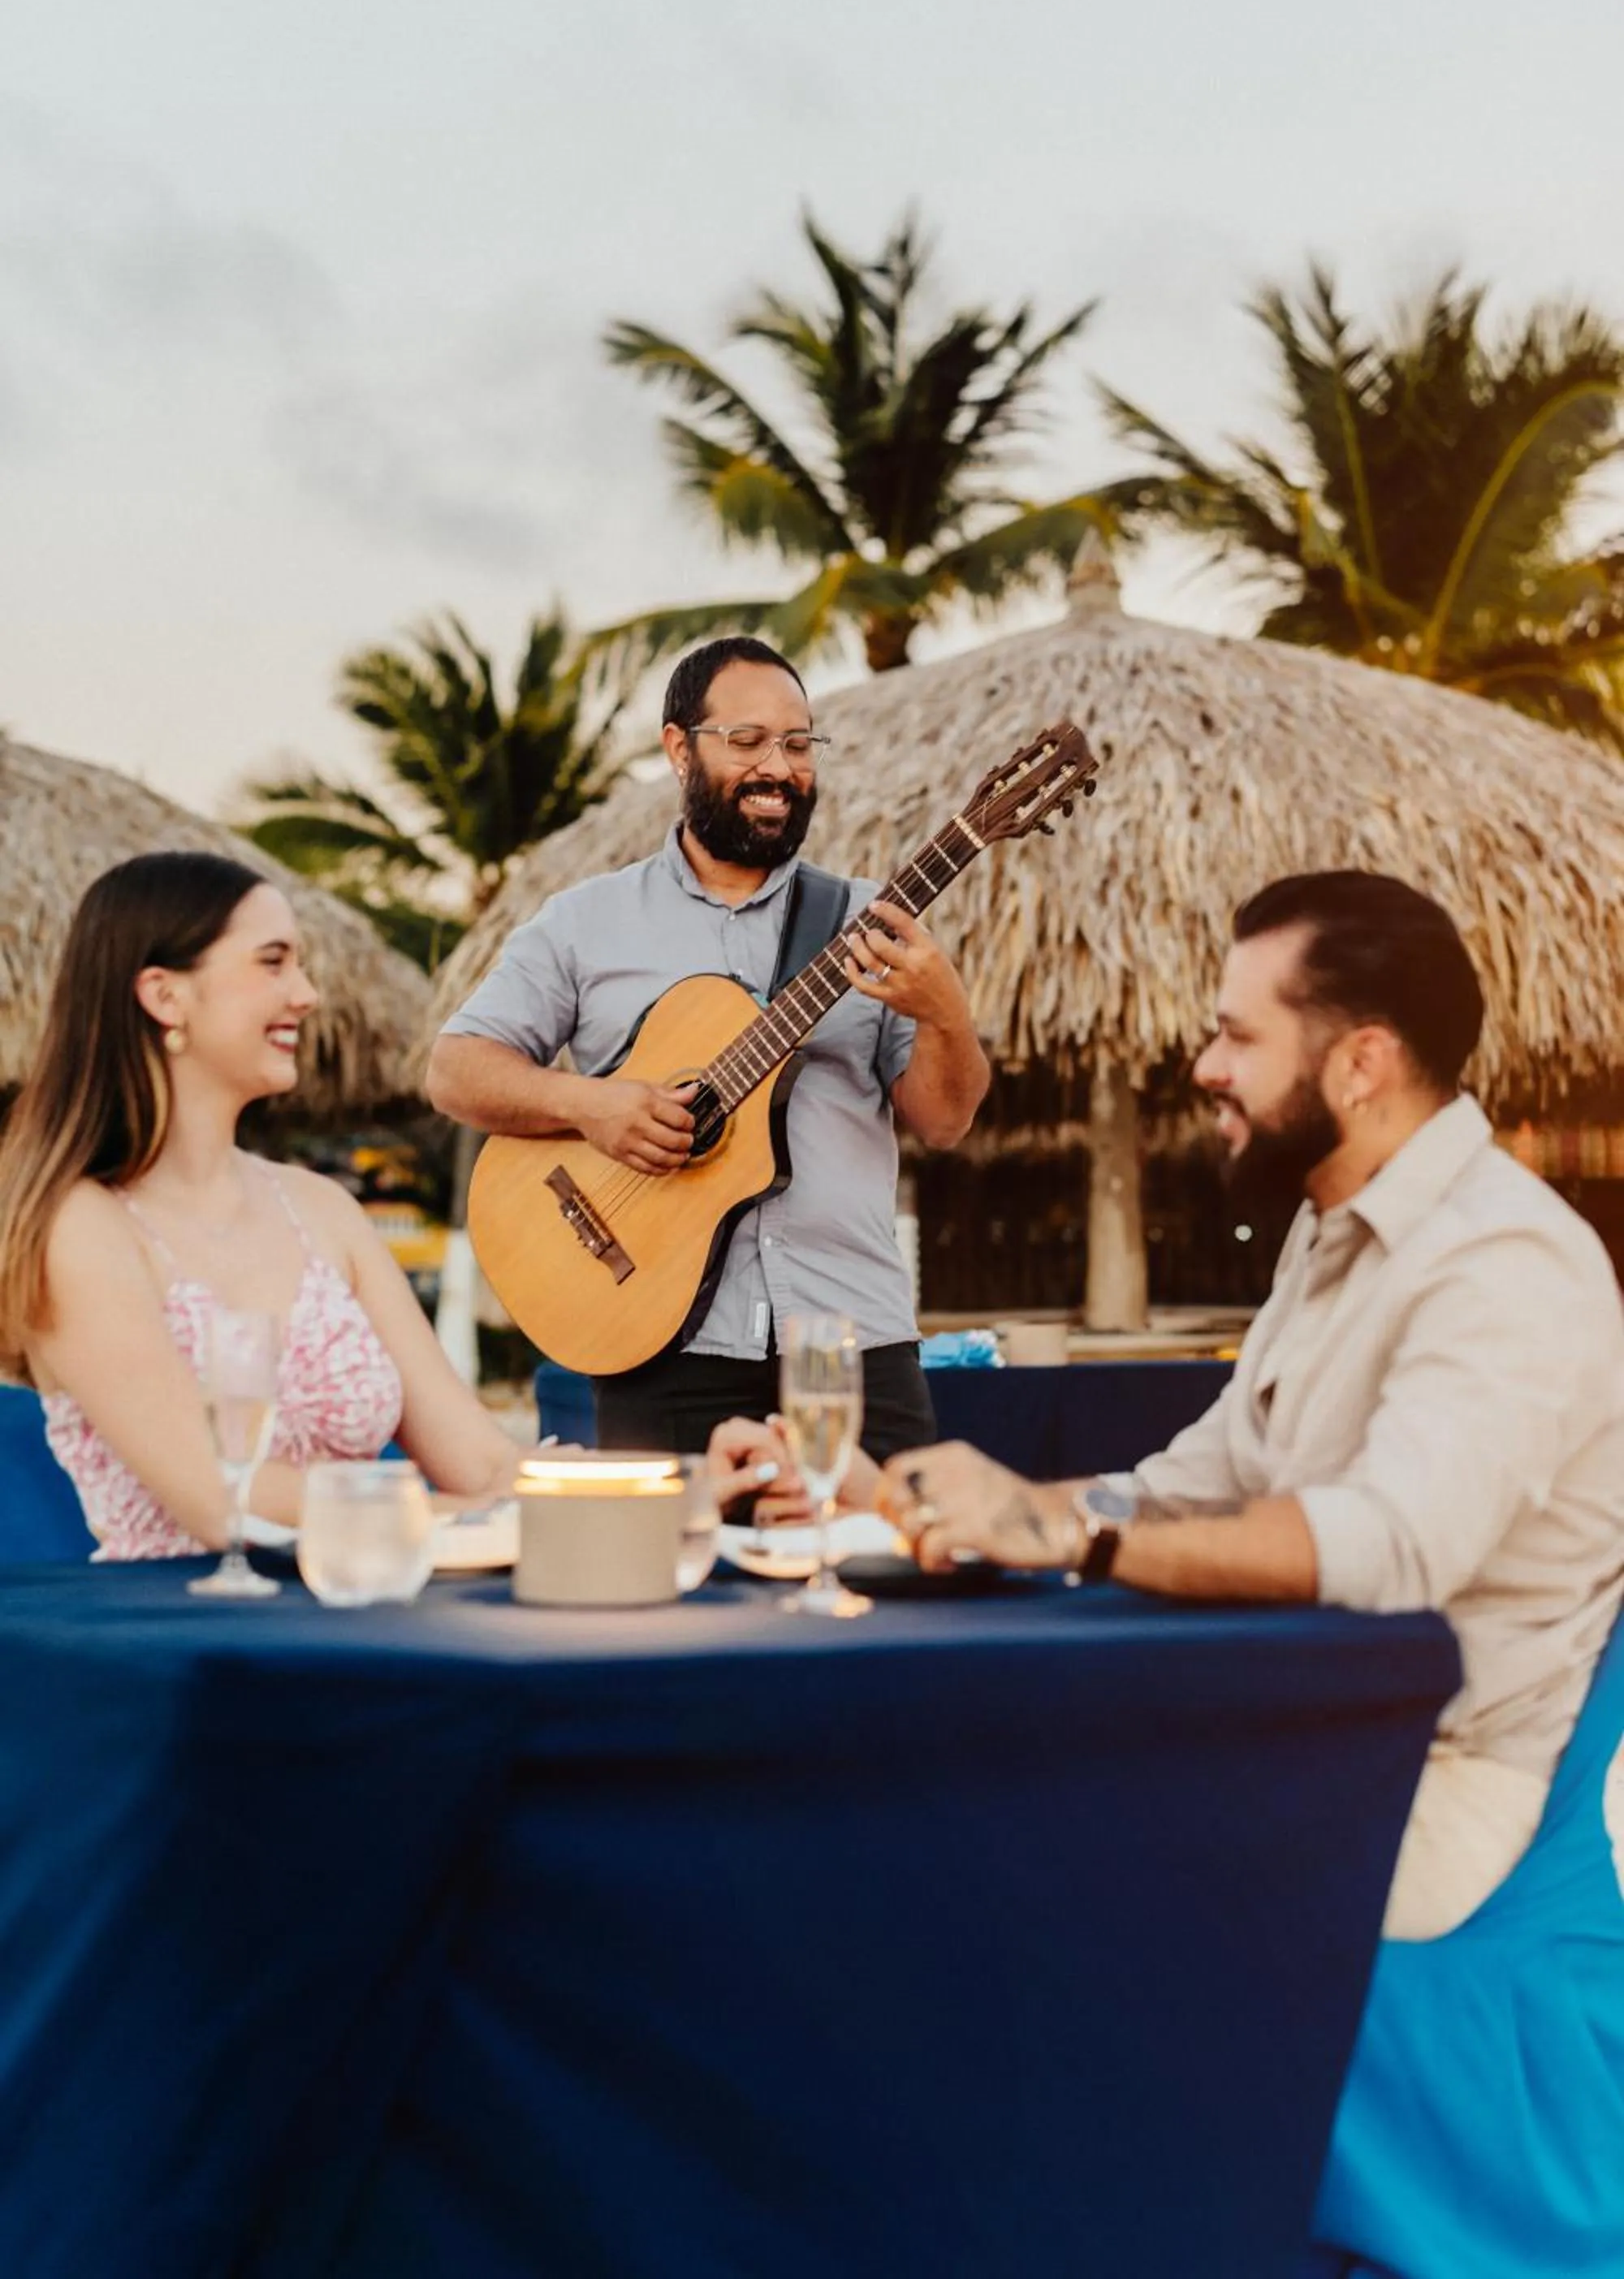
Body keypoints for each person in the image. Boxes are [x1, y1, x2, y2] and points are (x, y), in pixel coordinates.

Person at [876, 871, 1624, 1941]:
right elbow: (1193, 1487)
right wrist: (938, 1504)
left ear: (1361, 1063)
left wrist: (1069, 1538)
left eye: (1238, 1037)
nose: (1205, 1067)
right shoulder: (1329, 1227)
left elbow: (1386, 1549)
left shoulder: (1504, 1262)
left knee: (1022, 1873)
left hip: (1438, 1787)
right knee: (966, 1788)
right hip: (1310, 1720)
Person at [0, 852, 786, 1559]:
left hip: (364, 1614)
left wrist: (675, 1485)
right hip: (184, 1649)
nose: (306, 996)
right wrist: (472, 1518)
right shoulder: (78, 1227)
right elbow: (217, 1500)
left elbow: (482, 1461)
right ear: (163, 994)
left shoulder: (320, 1210)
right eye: (272, 962)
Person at [426, 636, 990, 1460]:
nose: (779, 767)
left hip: (850, 1345)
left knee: (881, 1567)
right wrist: (591, 1107)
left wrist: (944, 1014)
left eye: (798, 745)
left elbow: (944, 1121)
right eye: (747, 740)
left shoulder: (872, 924)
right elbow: (455, 1069)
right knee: (670, 1578)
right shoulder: (586, 921)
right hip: (655, 1340)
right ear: (677, 749)